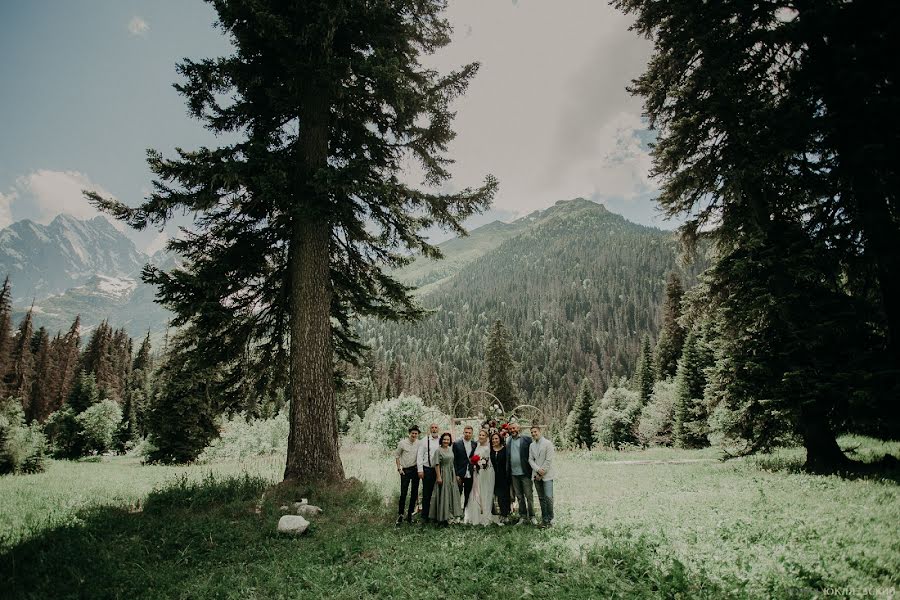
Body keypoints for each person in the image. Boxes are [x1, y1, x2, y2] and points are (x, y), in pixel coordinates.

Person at [464, 429, 498, 526]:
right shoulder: (477, 446)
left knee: (483, 492)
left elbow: (488, 463)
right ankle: (475, 515)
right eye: (480, 435)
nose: (481, 437)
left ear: (487, 437)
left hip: (485, 474)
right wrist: (475, 464)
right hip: (476, 473)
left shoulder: (488, 448)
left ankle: (484, 515)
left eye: (483, 435)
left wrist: (481, 465)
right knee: (475, 493)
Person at [430, 432, 463, 526]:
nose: (446, 441)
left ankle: (450, 515)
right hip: (443, 473)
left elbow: (452, 462)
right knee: (443, 494)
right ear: (441, 440)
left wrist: (455, 475)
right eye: (444, 439)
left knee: (451, 493)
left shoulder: (450, 449)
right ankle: (443, 516)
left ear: (450, 441)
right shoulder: (438, 450)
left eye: (448, 439)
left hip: (451, 473)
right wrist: (439, 477)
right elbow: (436, 464)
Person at [506, 421, 535, 524]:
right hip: (514, 474)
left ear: (519, 429)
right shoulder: (508, 441)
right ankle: (523, 516)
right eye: (511, 429)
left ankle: (532, 516)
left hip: (525, 473)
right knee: (519, 497)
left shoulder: (526, 439)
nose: (513, 430)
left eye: (514, 428)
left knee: (529, 496)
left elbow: (533, 454)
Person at [528, 425, 556, 527]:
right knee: (541, 498)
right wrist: (537, 471)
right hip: (536, 475)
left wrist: (541, 472)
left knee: (548, 497)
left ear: (540, 431)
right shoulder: (531, 445)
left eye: (535, 431)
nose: (533, 434)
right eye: (532, 432)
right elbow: (530, 459)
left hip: (547, 475)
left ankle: (551, 518)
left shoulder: (548, 444)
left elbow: (548, 460)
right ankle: (544, 520)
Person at [394, 425, 421, 525]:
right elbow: (397, 456)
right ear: (409, 433)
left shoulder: (419, 443)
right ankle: (400, 515)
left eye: (416, 434)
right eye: (412, 433)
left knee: (414, 493)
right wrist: (399, 468)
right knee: (403, 493)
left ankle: (410, 515)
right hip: (405, 470)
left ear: (418, 434)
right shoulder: (402, 443)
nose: (414, 435)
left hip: (415, 470)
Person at [417, 423, 441, 523]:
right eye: (432, 428)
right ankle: (424, 516)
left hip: (439, 470)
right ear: (429, 429)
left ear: (438, 429)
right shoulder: (424, 440)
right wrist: (420, 469)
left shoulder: (442, 439)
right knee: (427, 493)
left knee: (439, 493)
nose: (434, 429)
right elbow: (420, 455)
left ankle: (438, 515)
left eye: (436, 427)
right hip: (428, 469)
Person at [452, 425, 477, 508]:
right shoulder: (456, 444)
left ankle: (466, 511)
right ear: (463, 433)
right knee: (457, 493)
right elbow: (454, 460)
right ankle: (456, 511)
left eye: (469, 433)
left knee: (468, 493)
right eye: (466, 432)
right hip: (460, 472)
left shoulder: (475, 444)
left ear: (472, 434)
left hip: (470, 473)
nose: (467, 434)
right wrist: (456, 474)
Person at [489, 431, 511, 521]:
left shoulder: (505, 449)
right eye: (493, 439)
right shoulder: (490, 450)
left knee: (504, 496)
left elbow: (508, 463)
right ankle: (496, 513)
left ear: (500, 439)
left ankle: (505, 514)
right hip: (493, 476)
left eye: (496, 438)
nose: (495, 440)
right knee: (496, 495)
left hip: (504, 476)